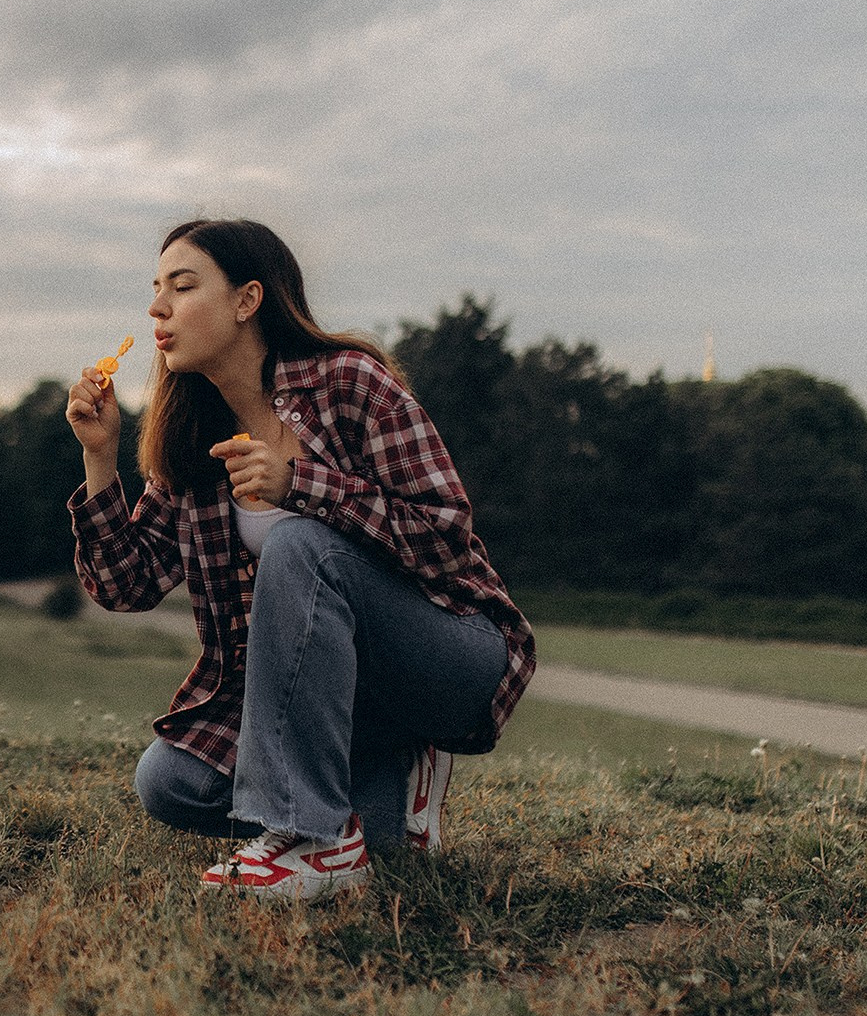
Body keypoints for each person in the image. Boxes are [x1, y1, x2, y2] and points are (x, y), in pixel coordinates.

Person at [65, 218, 536, 900]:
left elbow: (447, 534)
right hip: (338, 701)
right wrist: (100, 457)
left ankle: (314, 837)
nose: (157, 308)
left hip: (452, 650)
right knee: (168, 782)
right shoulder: (197, 429)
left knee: (297, 542)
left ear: (247, 300)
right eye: (155, 289)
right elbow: (125, 584)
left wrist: (301, 486)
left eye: (182, 285)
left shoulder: (348, 381)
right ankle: (369, 794)